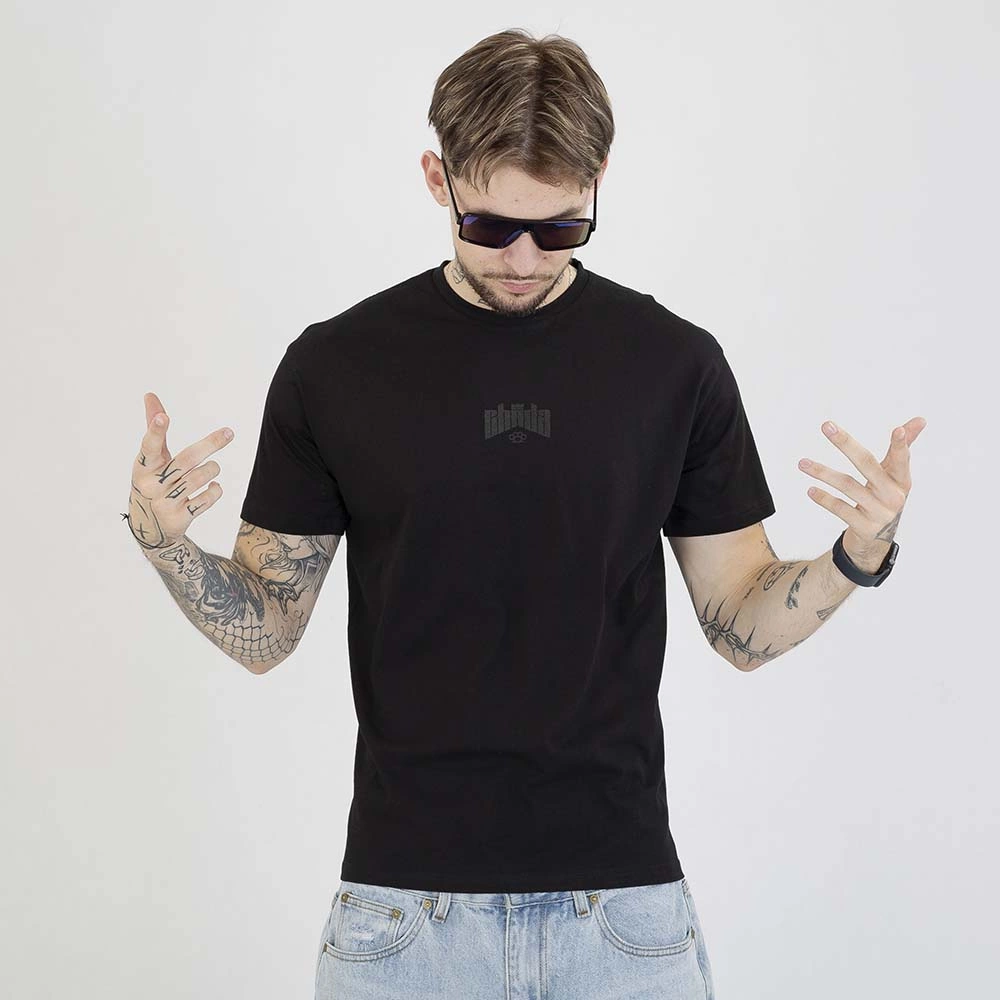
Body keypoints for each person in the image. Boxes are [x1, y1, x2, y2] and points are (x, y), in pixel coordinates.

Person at [129, 26, 915, 1000]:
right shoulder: (336, 367)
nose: (522, 258)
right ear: (437, 178)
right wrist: (165, 545)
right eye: (491, 226)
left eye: (560, 229)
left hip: (621, 919)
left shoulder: (672, 364)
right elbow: (267, 630)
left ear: (598, 184)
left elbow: (739, 624)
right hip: (404, 923)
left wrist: (855, 554)